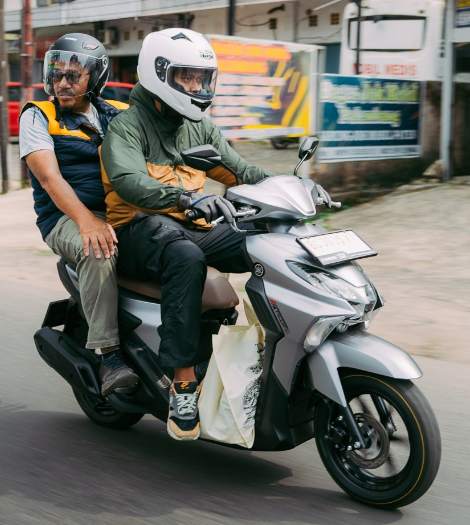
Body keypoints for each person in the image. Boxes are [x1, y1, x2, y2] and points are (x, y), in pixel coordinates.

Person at [100, 28, 333, 441]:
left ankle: (276, 351)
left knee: (265, 241)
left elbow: (242, 171)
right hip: (136, 231)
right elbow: (129, 183)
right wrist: (187, 199)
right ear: (158, 75)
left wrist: (295, 189)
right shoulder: (127, 127)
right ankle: (184, 385)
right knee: (185, 257)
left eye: (202, 79)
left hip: (188, 226)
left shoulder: (199, 126)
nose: (196, 87)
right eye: (186, 77)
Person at [20, 33, 138, 397]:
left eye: (73, 76)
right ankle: (109, 355)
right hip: (64, 218)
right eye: (56, 75)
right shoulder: (38, 115)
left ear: (95, 79)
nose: (61, 83)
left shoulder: (119, 112)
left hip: (120, 211)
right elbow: (49, 178)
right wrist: (87, 221)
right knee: (97, 249)